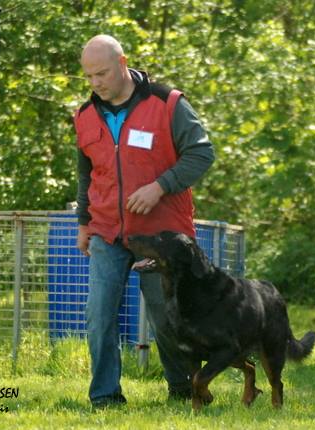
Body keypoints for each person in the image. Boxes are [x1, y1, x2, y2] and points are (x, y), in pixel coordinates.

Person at [74, 34, 215, 409]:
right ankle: (105, 397)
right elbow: (86, 173)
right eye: (88, 77)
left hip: (161, 234)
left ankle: (185, 391)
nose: (96, 83)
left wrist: (160, 186)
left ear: (122, 64)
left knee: (167, 317)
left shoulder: (168, 104)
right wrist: (83, 221)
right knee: (99, 316)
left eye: (101, 73)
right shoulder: (86, 115)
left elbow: (201, 154)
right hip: (106, 229)